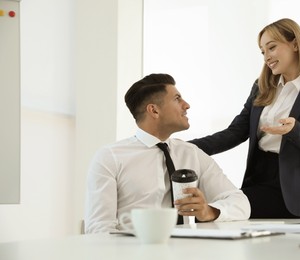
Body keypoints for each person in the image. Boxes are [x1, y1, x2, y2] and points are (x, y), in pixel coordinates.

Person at [189, 18, 300, 219]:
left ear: (295, 44)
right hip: (256, 177)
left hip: (289, 191)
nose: (266, 57)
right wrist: (186, 148)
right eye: (263, 52)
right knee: (215, 210)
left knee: (215, 211)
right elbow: (235, 133)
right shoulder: (262, 86)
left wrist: (295, 130)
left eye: (271, 48)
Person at [84, 73, 250, 233]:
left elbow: (241, 203)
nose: (187, 105)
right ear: (154, 111)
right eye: (177, 99)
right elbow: (100, 228)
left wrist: (210, 211)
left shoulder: (192, 154)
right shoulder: (110, 157)